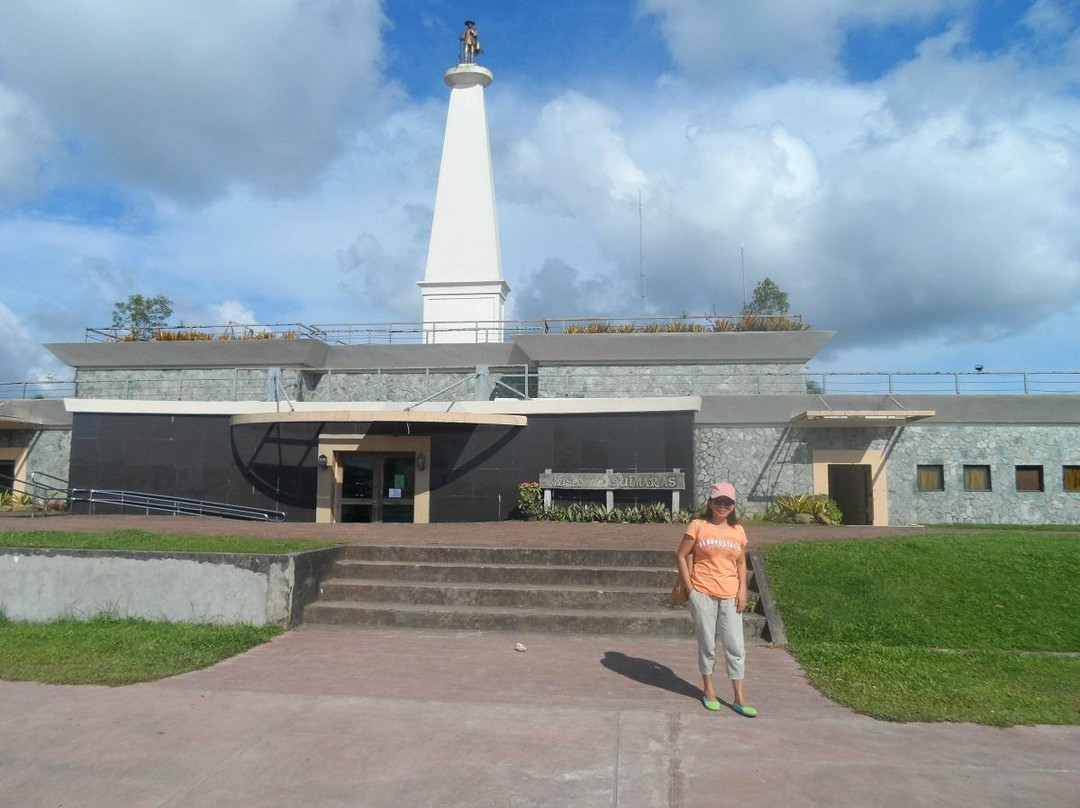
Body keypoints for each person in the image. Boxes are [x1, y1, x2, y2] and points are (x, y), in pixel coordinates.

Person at [676, 481, 757, 716]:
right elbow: (681, 555)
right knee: (707, 645)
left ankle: (739, 697)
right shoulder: (698, 526)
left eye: (728, 502)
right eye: (719, 501)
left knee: (735, 646)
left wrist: (742, 591)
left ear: (733, 506)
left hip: (730, 595)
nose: (723, 506)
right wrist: (690, 590)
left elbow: (741, 562)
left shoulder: (738, 530)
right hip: (703, 593)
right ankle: (709, 691)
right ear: (710, 503)